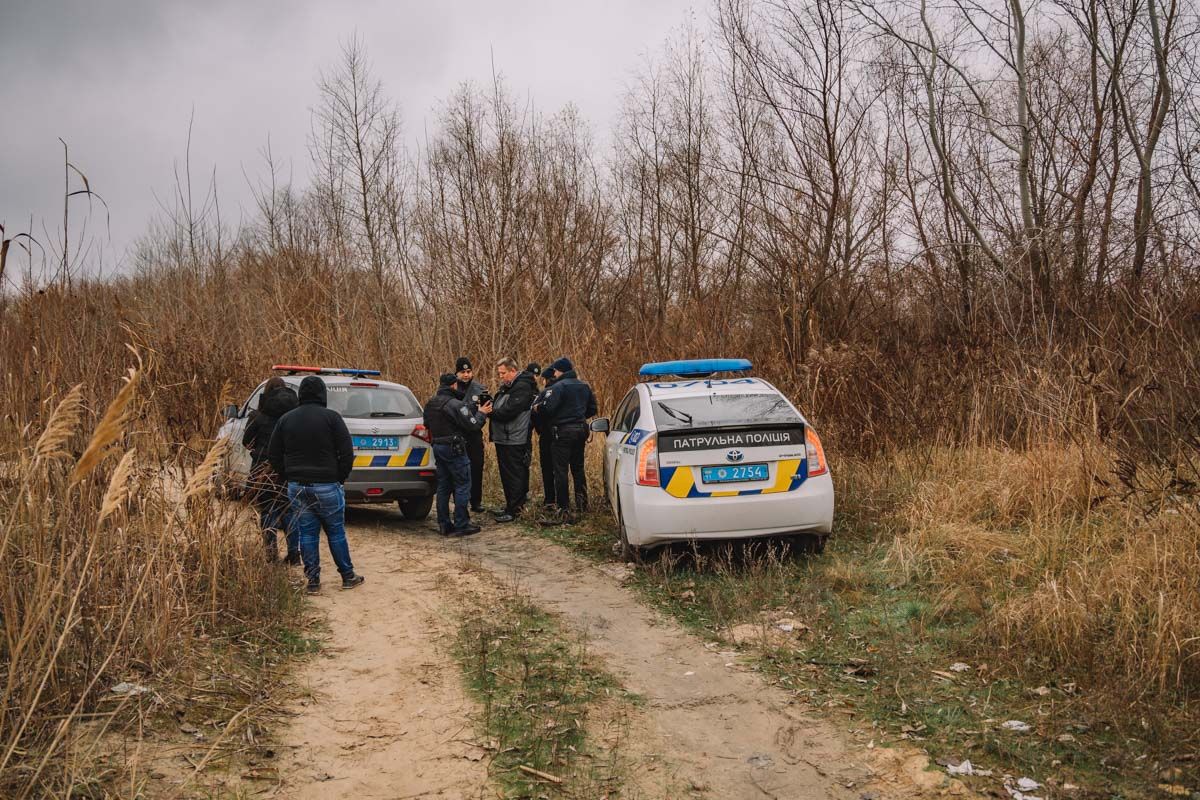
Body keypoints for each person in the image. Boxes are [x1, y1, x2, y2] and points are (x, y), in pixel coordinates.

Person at [268, 375, 365, 595]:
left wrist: (287, 474)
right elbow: (347, 452)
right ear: (323, 394)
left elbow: (273, 453)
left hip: (297, 486)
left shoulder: (286, 419)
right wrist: (340, 476)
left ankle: (313, 582)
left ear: (301, 394)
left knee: (308, 534)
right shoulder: (332, 418)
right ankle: (348, 576)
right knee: (336, 532)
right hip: (328, 485)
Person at [424, 373, 492, 536]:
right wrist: (482, 412)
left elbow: (426, 425)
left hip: (438, 447)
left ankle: (444, 524)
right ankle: (462, 523)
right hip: (454, 448)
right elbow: (473, 425)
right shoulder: (455, 404)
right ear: (454, 385)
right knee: (463, 484)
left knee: (443, 486)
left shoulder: (430, 404)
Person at [242, 376, 299, 564]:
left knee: (267, 511)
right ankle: (294, 554)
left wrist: (259, 450)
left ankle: (271, 554)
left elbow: (246, 442)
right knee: (289, 510)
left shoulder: (257, 416)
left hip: (262, 469)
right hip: (287, 468)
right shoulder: (294, 416)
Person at [535, 357, 598, 524]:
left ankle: (564, 508)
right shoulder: (584, 386)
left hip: (562, 432)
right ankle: (582, 504)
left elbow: (547, 409)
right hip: (580, 429)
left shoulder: (558, 387)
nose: (554, 373)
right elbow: (593, 408)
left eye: (555, 371)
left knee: (560, 470)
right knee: (578, 468)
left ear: (560, 371)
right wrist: (578, 417)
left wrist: (538, 408)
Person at [489, 358, 536, 522]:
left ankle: (515, 510)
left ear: (512, 370)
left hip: (515, 438)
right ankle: (510, 506)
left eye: (503, 373)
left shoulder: (521, 387)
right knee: (507, 475)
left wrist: (489, 412)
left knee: (515, 475)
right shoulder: (508, 387)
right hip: (504, 438)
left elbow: (509, 411)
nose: (500, 377)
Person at [453, 357, 488, 513]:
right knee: (458, 469)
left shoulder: (480, 390)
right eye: (462, 372)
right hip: (458, 435)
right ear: (457, 373)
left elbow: (486, 411)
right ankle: (460, 501)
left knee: (476, 468)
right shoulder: (452, 389)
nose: (466, 375)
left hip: (474, 435)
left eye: (468, 372)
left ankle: (476, 501)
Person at [529, 363, 556, 509]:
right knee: (560, 469)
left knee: (547, 469)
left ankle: (550, 500)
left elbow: (533, 413)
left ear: (545, 380)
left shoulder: (543, 394)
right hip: (560, 435)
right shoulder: (562, 392)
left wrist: (540, 430)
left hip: (546, 436)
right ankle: (564, 501)